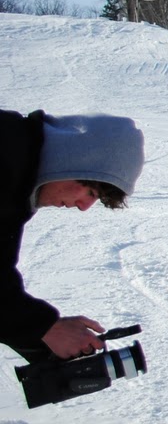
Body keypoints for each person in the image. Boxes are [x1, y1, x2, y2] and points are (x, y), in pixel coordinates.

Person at [2, 109, 145, 364]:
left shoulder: (16, 180)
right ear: (75, 161)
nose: (83, 207)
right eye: (91, 192)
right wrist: (44, 327)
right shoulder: (5, 157)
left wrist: (40, 332)